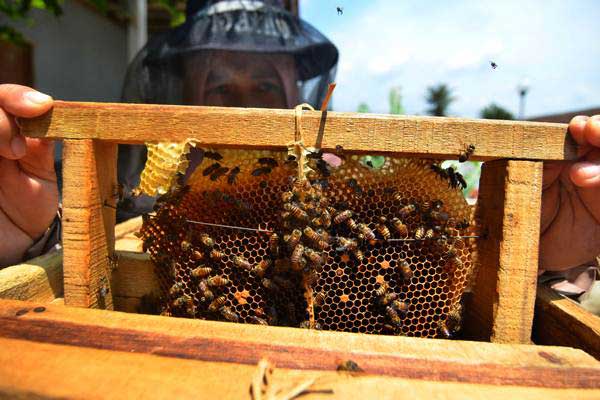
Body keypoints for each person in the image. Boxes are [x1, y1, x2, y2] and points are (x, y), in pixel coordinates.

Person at [0, 0, 598, 299]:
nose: (244, 106)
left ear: (298, 91)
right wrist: (29, 241)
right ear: (182, 98)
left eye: (262, 87)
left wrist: (541, 265)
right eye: (221, 87)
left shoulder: (362, 196)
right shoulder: (136, 215)